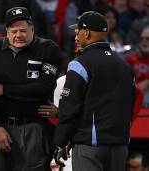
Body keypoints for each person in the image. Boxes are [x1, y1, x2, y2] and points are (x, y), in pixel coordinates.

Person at [0, 7, 63, 171]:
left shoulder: (48, 49)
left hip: (32, 128)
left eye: (23, 30)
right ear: (6, 31)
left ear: (32, 29)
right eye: (14, 31)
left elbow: (42, 89)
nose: (19, 35)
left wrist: (4, 90)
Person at [53, 11, 136, 171]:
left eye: (77, 32)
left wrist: (61, 142)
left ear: (87, 33)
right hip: (119, 146)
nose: (76, 37)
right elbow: (129, 105)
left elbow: (69, 108)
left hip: (90, 147)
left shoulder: (80, 64)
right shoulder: (125, 66)